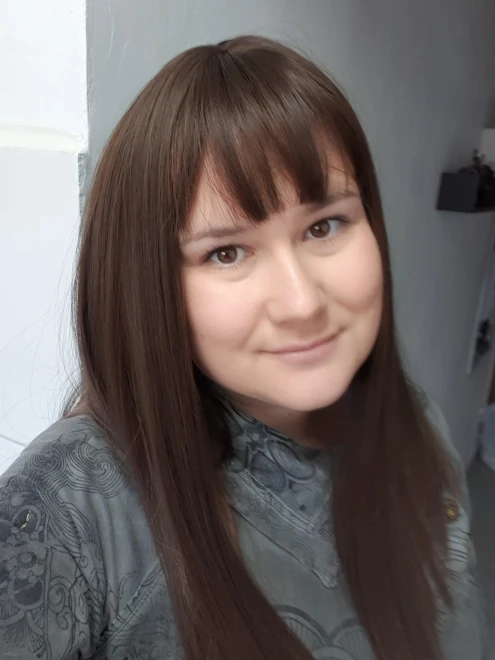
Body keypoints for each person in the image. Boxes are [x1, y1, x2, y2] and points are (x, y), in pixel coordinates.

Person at [0, 35, 489, 660]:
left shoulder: (417, 423)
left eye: (324, 226)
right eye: (226, 253)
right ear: (148, 285)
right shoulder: (63, 515)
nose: (302, 303)